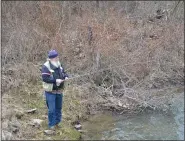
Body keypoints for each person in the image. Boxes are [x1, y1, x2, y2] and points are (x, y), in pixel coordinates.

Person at [41, 49, 69, 130]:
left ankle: (57, 122)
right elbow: (45, 78)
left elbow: (64, 72)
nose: (58, 58)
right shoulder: (46, 66)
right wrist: (55, 80)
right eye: (56, 57)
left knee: (59, 108)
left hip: (59, 91)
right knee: (52, 110)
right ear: (52, 58)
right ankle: (51, 125)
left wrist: (66, 76)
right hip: (50, 92)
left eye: (57, 57)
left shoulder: (59, 64)